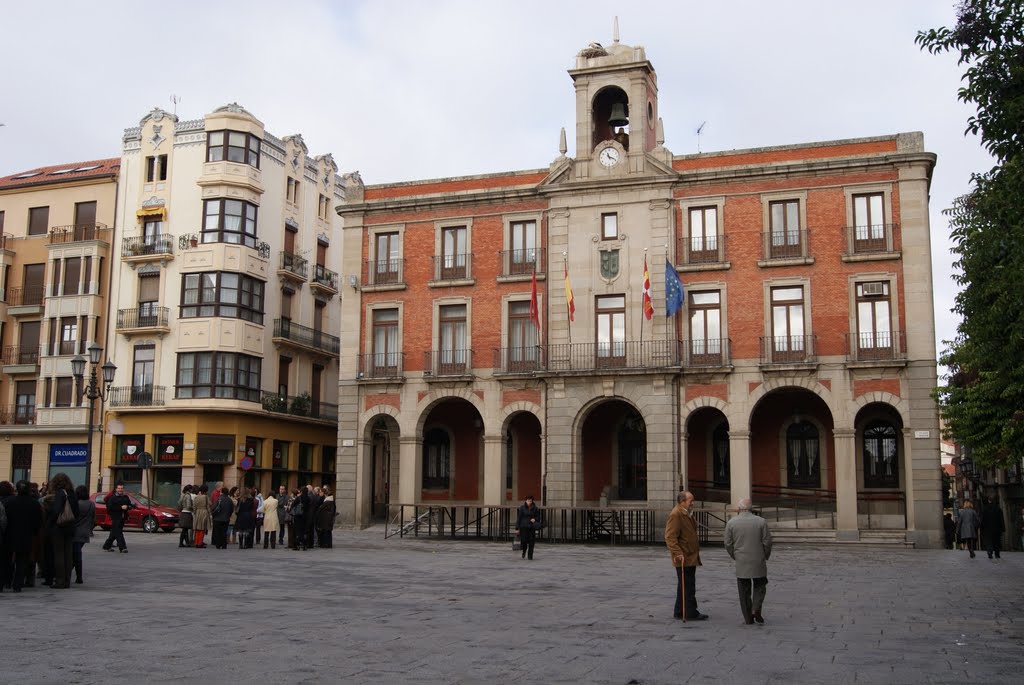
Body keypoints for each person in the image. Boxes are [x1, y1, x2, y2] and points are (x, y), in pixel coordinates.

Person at [724, 498, 773, 625]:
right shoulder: (761, 522)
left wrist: (735, 555)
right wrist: (765, 555)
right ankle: (755, 608)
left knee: (743, 589)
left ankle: (748, 617)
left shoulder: (731, 523)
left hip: (741, 560)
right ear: (751, 508)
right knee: (760, 584)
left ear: (739, 509)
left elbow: (728, 543)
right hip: (758, 558)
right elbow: (767, 542)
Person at [665, 490, 706, 620]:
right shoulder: (676, 514)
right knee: (688, 584)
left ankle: (679, 610)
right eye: (690, 501)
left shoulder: (685, 513)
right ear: (682, 502)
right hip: (684, 555)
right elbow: (670, 537)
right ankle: (690, 612)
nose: (692, 503)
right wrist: (677, 552)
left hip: (690, 554)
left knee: (684, 584)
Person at [46, 472, 80, 589]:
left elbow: (56, 511)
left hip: (59, 527)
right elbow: (76, 511)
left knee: (59, 554)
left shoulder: (61, 494)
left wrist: (50, 522)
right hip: (70, 527)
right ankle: (67, 580)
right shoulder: (72, 494)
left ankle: (60, 580)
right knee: (68, 554)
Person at [101, 481, 134, 553]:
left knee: (114, 532)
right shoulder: (112, 498)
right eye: (119, 488)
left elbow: (131, 506)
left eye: (121, 488)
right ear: (116, 489)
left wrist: (127, 506)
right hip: (115, 517)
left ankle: (107, 546)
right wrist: (120, 507)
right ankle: (122, 547)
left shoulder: (126, 497)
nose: (120, 490)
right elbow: (109, 508)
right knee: (118, 532)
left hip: (123, 518)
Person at [72, 485, 95, 585]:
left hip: (76, 532)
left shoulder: (77, 504)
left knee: (76, 555)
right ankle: (77, 576)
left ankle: (78, 576)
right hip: (85, 532)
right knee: (77, 554)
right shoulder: (91, 504)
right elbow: (93, 519)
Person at [515, 495, 543, 560]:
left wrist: (535, 519)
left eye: (530, 501)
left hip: (531, 527)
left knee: (531, 542)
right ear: (526, 501)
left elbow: (538, 517)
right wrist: (517, 528)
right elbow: (519, 518)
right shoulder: (522, 508)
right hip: (523, 527)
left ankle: (530, 556)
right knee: (524, 541)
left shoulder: (535, 508)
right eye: (528, 501)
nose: (529, 502)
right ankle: (524, 551)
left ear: (532, 501)